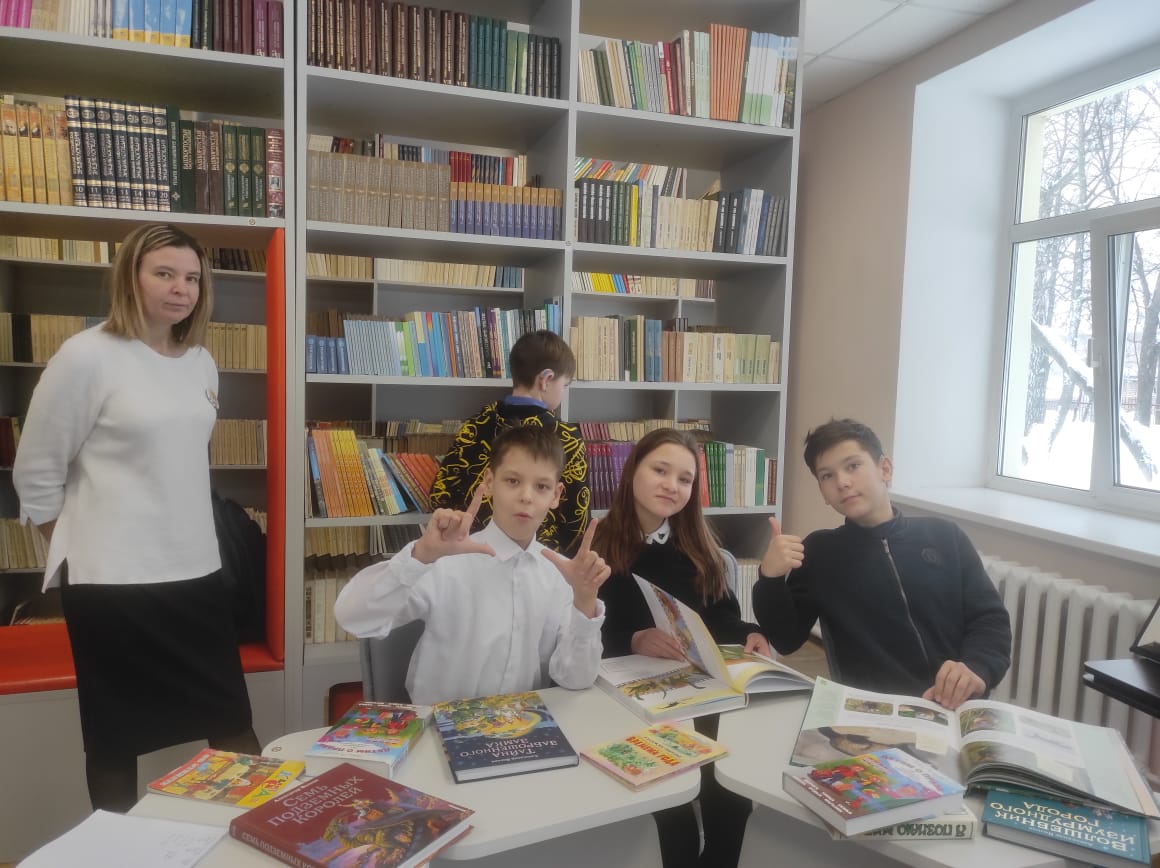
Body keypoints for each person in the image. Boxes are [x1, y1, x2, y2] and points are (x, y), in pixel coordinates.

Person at [12, 223, 260, 813]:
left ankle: (261, 838)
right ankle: (115, 848)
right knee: (115, 741)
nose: (181, 289)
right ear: (131, 277)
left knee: (232, 726)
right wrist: (80, 542)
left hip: (196, 574)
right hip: (112, 585)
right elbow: (36, 473)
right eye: (164, 274)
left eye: (192, 278)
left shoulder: (200, 361)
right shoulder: (86, 356)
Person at [593, 427, 768, 868]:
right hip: (629, 704)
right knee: (672, 815)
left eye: (685, 479)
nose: (672, 485)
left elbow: (721, 618)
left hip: (698, 695)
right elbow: (579, 631)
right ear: (633, 470)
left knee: (731, 797)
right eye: (660, 470)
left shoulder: (699, 547)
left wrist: (750, 632)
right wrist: (631, 638)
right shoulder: (597, 543)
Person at [335, 426, 610, 705]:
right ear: (489, 482)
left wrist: (584, 600)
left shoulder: (560, 574)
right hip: (442, 719)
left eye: (541, 486)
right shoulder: (445, 559)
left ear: (556, 495)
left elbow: (576, 678)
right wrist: (421, 556)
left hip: (523, 722)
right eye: (513, 481)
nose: (526, 496)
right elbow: (352, 617)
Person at [752, 418, 1012, 710]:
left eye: (853, 466)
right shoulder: (820, 552)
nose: (842, 482)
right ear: (822, 491)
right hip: (874, 712)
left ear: (885, 469)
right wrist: (770, 578)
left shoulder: (944, 536)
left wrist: (977, 666)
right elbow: (785, 639)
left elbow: (989, 618)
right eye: (827, 476)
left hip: (959, 706)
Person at [428, 329, 589, 553]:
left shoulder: (474, 424)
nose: (563, 393)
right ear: (546, 380)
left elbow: (440, 494)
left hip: (471, 550)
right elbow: (577, 519)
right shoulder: (566, 437)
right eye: (565, 385)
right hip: (540, 557)